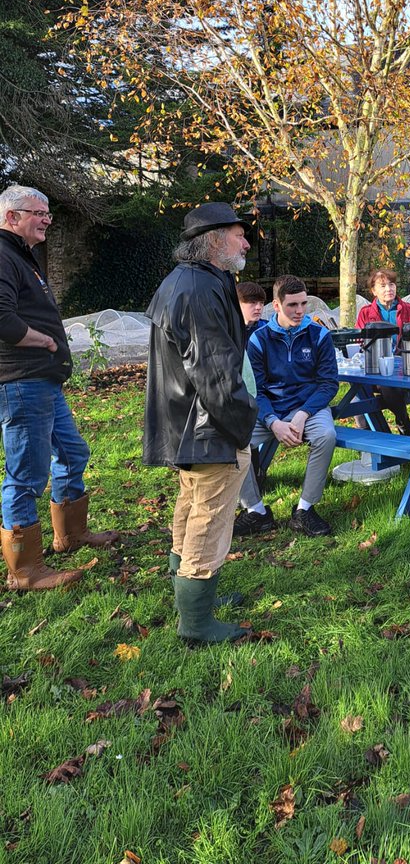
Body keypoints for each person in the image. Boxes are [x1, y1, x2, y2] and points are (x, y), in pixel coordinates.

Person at [144, 202, 258, 643]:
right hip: (208, 425)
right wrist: (243, 421)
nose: (245, 242)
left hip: (187, 421)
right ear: (212, 241)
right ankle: (196, 622)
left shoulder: (195, 281)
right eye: (237, 233)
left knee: (192, 505)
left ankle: (192, 591)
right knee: (209, 516)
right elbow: (213, 370)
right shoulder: (197, 289)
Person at [0, 185, 118, 591]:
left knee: (72, 452)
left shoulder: (20, 256)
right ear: (12, 217)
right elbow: (3, 320)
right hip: (21, 383)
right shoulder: (2, 255)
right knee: (25, 476)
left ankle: (69, 535)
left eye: (48, 213)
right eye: (39, 212)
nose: (48, 219)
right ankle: (25, 570)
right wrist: (44, 340)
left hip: (43, 383)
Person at [235, 275, 338, 538]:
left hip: (308, 406)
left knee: (326, 435)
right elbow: (253, 389)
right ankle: (255, 511)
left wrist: (304, 414)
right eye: (292, 305)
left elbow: (328, 384)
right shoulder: (258, 340)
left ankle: (304, 510)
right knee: (232, 440)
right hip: (270, 409)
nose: (300, 311)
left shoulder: (319, 335)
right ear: (277, 305)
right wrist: (272, 421)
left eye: (304, 304)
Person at [356, 267, 410, 434]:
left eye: (391, 284)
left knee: (387, 384)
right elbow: (359, 342)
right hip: (373, 365)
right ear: (373, 291)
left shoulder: (409, 310)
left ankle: (402, 422)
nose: (388, 289)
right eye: (383, 286)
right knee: (357, 391)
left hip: (405, 365)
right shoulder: (365, 313)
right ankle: (373, 433)